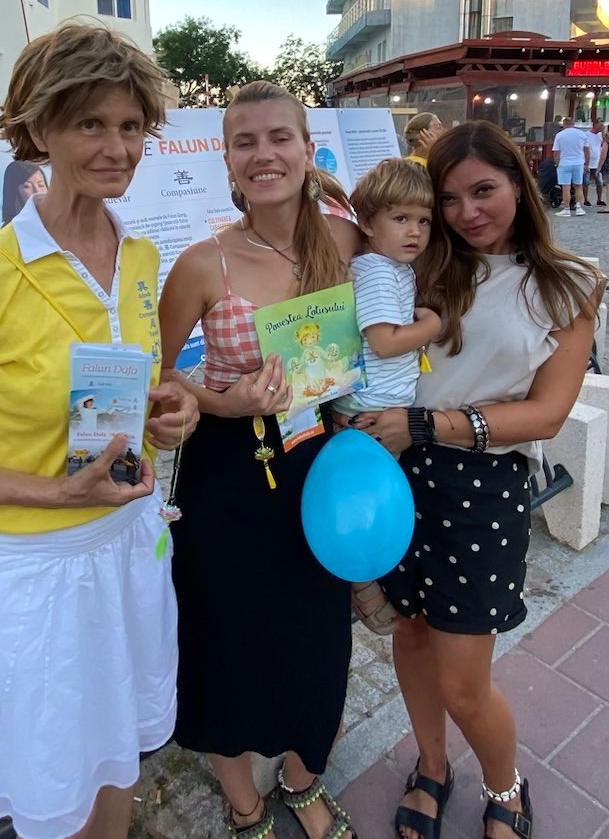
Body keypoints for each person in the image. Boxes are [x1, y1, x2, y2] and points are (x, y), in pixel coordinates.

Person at [0, 23, 199, 839]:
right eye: (91, 123)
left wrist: (168, 413)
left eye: (131, 125)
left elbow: (125, 396)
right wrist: (56, 493)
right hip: (32, 572)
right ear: (39, 128)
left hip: (126, 545)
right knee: (57, 783)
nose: (117, 147)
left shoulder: (140, 256)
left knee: (116, 755)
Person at [351, 121, 600, 839]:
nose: (466, 212)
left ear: (519, 183)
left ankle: (505, 787)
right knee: (411, 636)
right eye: (449, 199)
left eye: (483, 190)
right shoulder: (424, 264)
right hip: (402, 472)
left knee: (464, 682)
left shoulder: (566, 284)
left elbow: (547, 413)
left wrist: (428, 425)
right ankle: (432, 766)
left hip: (481, 487)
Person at [157, 80, 363, 839]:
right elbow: (156, 375)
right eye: (245, 142)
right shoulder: (201, 264)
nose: (263, 154)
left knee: (318, 638)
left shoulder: (346, 242)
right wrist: (222, 402)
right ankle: (244, 803)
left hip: (317, 462)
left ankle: (303, 782)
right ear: (227, 161)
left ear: (309, 151)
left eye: (280, 137)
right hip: (227, 474)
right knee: (225, 639)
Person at [329, 157, 441, 632]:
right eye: (400, 218)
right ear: (368, 224)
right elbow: (383, 341)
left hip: (380, 403)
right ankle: (364, 587)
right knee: (366, 503)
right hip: (373, 410)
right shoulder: (377, 271)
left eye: (423, 220)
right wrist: (432, 325)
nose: (414, 231)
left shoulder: (393, 266)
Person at [550, 117, 587, 217]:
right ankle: (579, 208)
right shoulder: (582, 134)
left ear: (564, 124)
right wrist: (586, 163)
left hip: (565, 162)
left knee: (566, 187)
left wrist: (557, 163)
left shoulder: (559, 135)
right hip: (578, 162)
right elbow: (586, 149)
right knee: (578, 185)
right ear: (573, 124)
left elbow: (556, 151)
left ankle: (566, 209)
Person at [2, 160, 49, 225]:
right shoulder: (11, 229)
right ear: (13, 194)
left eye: (41, 185)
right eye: (27, 186)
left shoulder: (57, 224)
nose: (37, 191)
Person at [582, 121, 605, 209]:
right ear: (594, 126)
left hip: (597, 162)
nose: (601, 127)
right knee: (586, 182)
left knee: (600, 182)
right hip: (588, 162)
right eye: (600, 126)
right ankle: (586, 199)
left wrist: (603, 132)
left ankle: (599, 199)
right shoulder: (586, 135)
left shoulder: (600, 135)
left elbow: (605, 142)